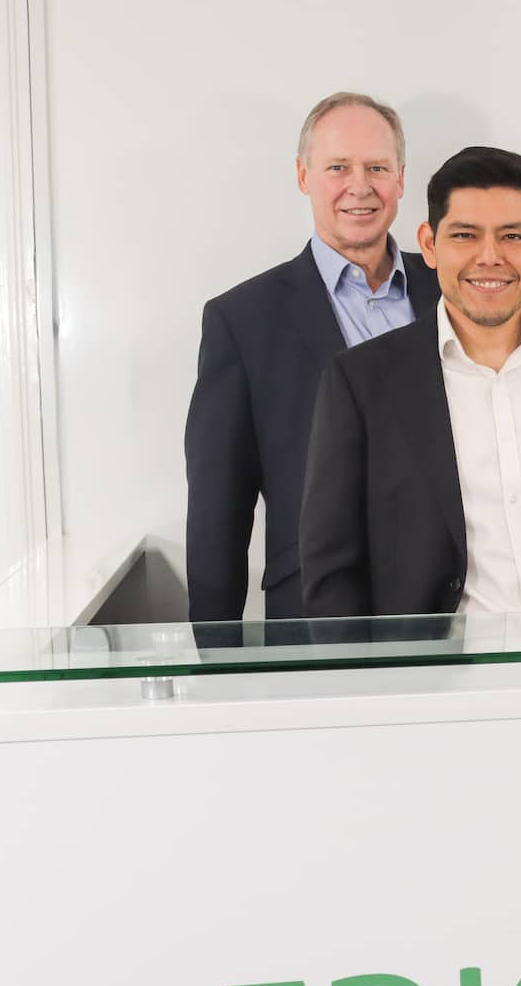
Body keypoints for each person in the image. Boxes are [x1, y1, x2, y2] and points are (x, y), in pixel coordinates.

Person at [300, 146, 521, 616]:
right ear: (429, 244)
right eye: (465, 236)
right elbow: (331, 573)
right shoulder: (362, 381)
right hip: (438, 677)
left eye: (512, 236)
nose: (490, 258)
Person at [185, 91, 439, 620]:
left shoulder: (452, 291)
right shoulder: (242, 321)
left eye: (377, 167)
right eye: (338, 167)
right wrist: (213, 662)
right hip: (313, 617)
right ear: (303, 176)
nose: (359, 186)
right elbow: (218, 513)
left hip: (449, 610)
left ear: (401, 178)